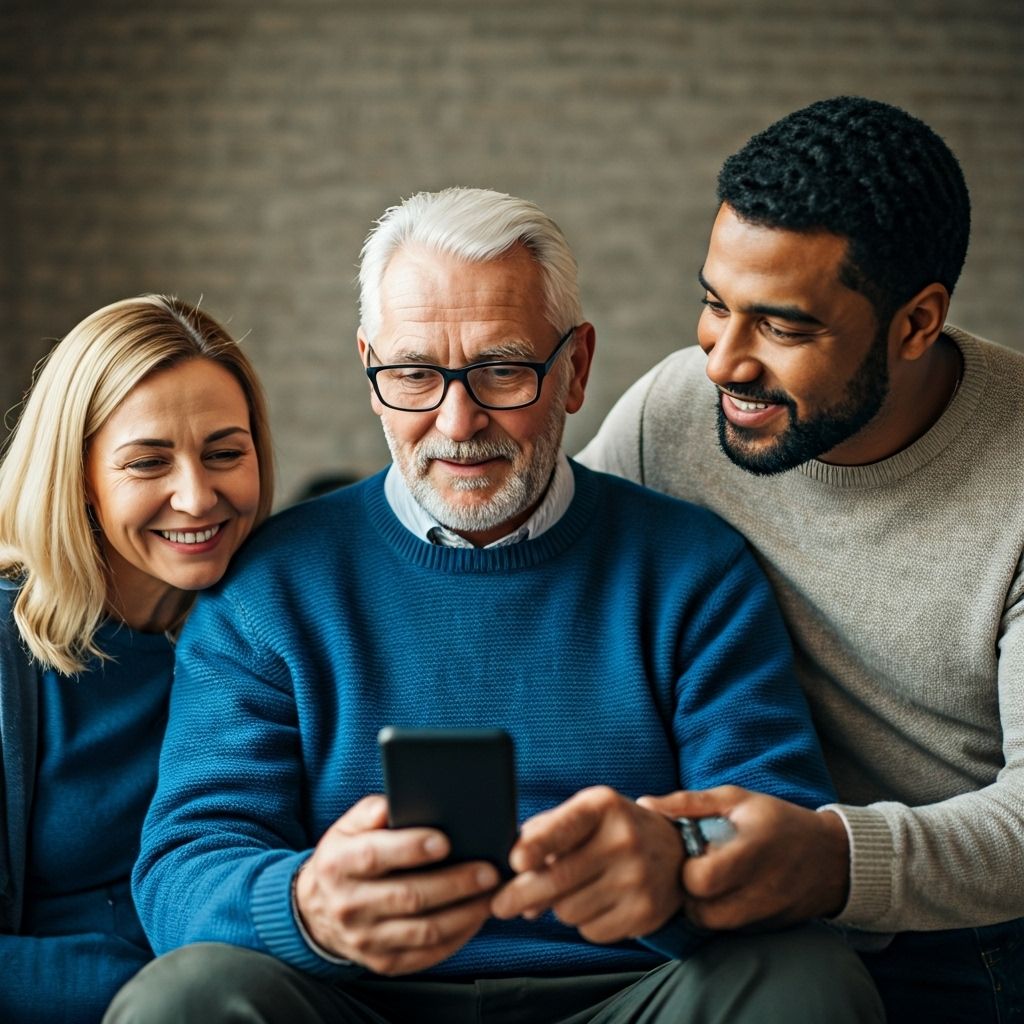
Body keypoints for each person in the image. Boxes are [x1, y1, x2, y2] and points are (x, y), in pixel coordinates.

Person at [104, 188, 881, 1024]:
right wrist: (306, 907)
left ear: (576, 368)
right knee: (182, 1001)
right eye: (413, 374)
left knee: (807, 982)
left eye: (502, 370)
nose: (458, 420)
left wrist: (680, 859)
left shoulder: (693, 569)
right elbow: (184, 868)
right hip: (358, 1001)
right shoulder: (270, 587)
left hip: (634, 995)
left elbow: (783, 833)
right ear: (371, 372)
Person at [578, 96, 1024, 1021]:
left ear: (916, 323)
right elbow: (554, 575)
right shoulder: (674, 412)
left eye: (781, 327)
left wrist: (830, 859)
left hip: (969, 936)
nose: (722, 363)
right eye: (715, 304)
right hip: (732, 922)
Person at [0, 294, 274, 1024]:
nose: (197, 497)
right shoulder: (9, 650)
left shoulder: (266, 634)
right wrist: (154, 986)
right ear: (77, 477)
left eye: (225, 453)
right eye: (148, 462)